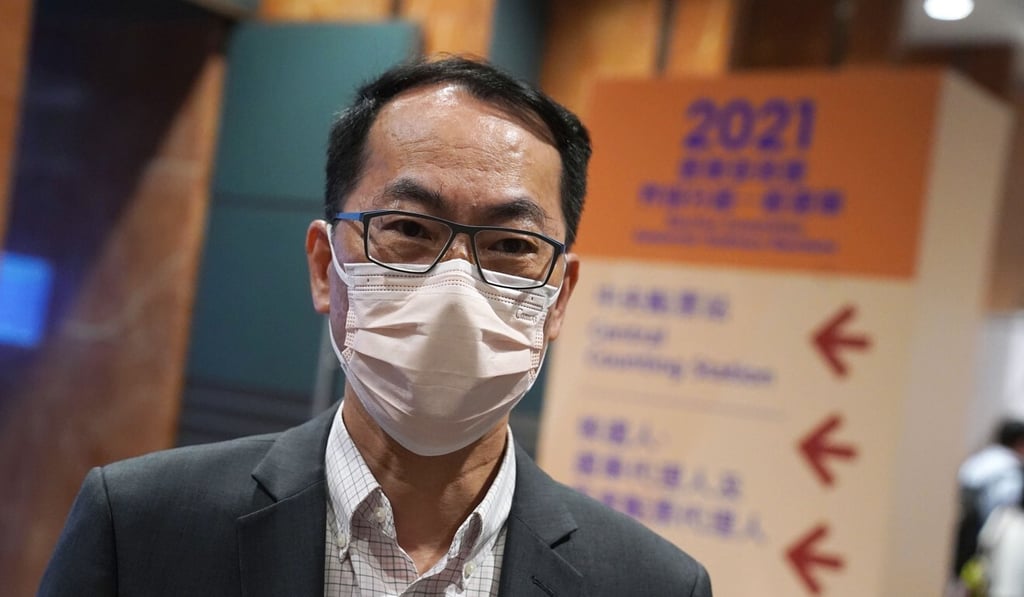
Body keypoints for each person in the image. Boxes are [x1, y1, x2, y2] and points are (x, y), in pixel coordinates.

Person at [39, 56, 713, 596]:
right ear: (325, 268)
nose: (458, 286)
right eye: (409, 229)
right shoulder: (141, 528)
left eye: (511, 244)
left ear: (559, 296)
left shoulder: (649, 583)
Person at [952, 419, 1024, 582]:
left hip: (965, 531)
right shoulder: (1009, 468)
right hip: (986, 539)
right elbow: (1006, 507)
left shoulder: (980, 460)